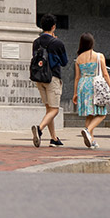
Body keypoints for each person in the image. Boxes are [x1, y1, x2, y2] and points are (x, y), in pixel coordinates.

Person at [31, 14, 68, 147]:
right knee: (55, 110)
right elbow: (64, 62)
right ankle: (39, 130)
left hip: (39, 78)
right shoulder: (57, 43)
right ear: (54, 27)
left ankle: (53, 138)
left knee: (49, 109)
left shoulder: (36, 42)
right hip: (52, 78)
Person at [72, 32, 110, 149]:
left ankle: (91, 140)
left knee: (89, 114)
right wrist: (109, 86)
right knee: (102, 113)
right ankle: (88, 131)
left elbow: (77, 77)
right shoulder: (99, 56)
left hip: (83, 85)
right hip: (95, 84)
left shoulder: (79, 58)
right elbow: (105, 73)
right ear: (92, 43)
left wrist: (75, 93)